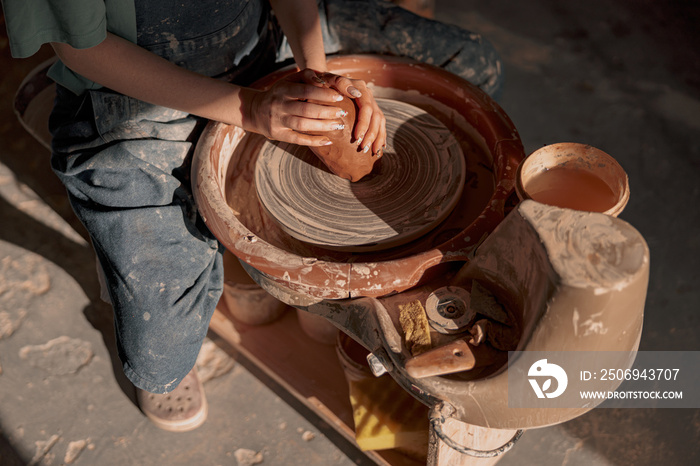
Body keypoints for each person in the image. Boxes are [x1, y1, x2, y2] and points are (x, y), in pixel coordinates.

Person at [1, 0, 503, 432]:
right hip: (135, 91)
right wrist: (252, 111)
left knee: (470, 64)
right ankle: (59, 105)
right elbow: (82, 47)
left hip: (264, 44)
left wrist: (317, 75)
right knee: (161, 360)